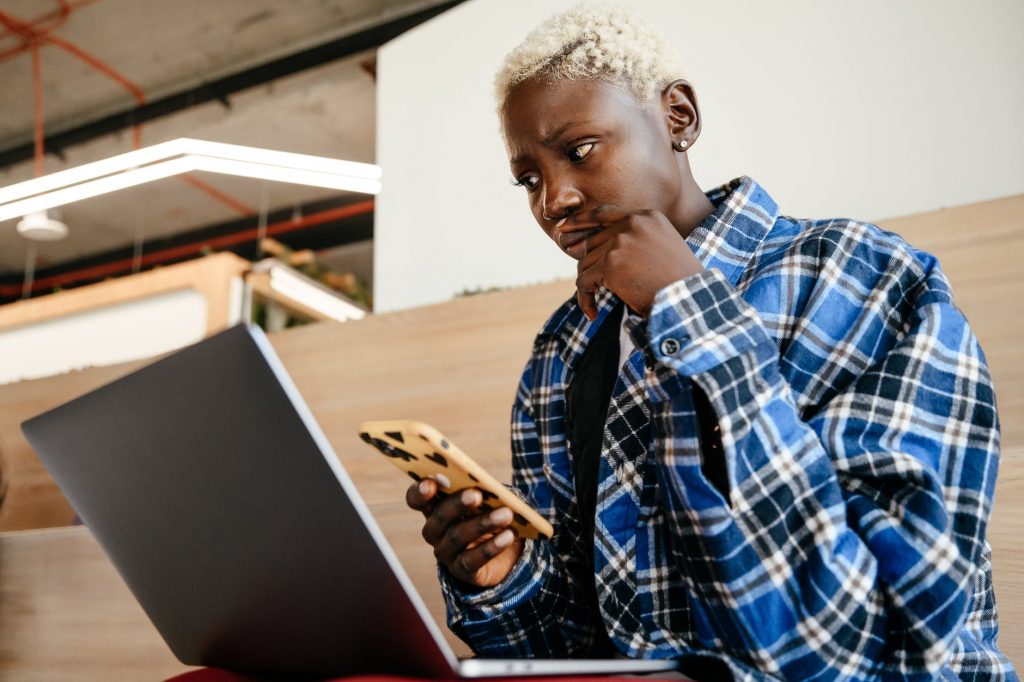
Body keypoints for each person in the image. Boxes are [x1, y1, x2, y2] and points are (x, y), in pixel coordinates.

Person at [404, 4, 1016, 680]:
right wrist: (506, 577)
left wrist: (693, 313)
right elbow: (580, 656)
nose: (553, 200)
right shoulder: (561, 354)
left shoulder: (864, 279)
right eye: (528, 178)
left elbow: (862, 642)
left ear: (678, 118)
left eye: (579, 150)